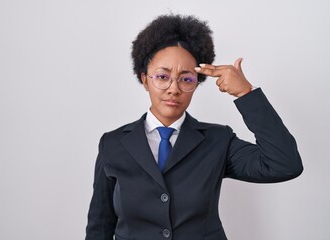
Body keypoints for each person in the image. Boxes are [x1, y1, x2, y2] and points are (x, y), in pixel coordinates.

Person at [85, 14, 303, 240]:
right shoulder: (112, 144)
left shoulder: (218, 140)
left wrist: (245, 93)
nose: (173, 89)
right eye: (162, 76)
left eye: (186, 79)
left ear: (197, 84)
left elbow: (284, 164)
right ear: (144, 79)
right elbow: (99, 227)